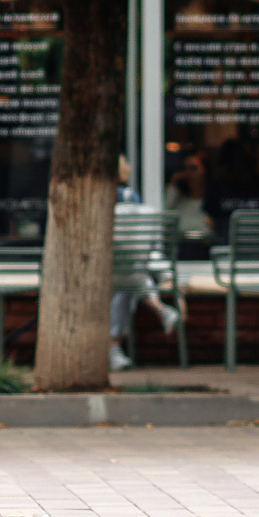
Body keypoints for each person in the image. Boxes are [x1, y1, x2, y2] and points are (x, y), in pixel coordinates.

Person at [109, 157, 181, 371]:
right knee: (130, 282)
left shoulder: (95, 200)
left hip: (112, 273)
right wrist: (167, 274)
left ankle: (112, 347)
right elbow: (148, 247)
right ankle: (161, 310)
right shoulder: (131, 198)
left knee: (123, 286)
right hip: (128, 274)